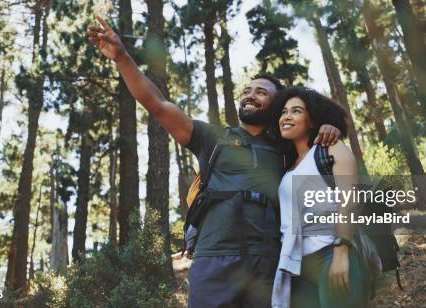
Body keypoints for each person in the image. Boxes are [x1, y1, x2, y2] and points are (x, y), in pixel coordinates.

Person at [87, 17, 343, 307]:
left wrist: (329, 128)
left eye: (261, 92)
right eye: (247, 90)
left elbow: (321, 158)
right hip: (213, 258)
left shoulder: (286, 147)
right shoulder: (213, 137)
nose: (250, 95)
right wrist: (121, 57)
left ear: (277, 104)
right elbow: (157, 104)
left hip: (267, 262)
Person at [268, 87, 370, 307]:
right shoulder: (287, 167)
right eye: (284, 111)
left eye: (296, 111)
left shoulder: (329, 149)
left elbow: (350, 201)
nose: (287, 116)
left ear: (312, 121)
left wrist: (341, 251)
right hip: (297, 267)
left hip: (331, 255)